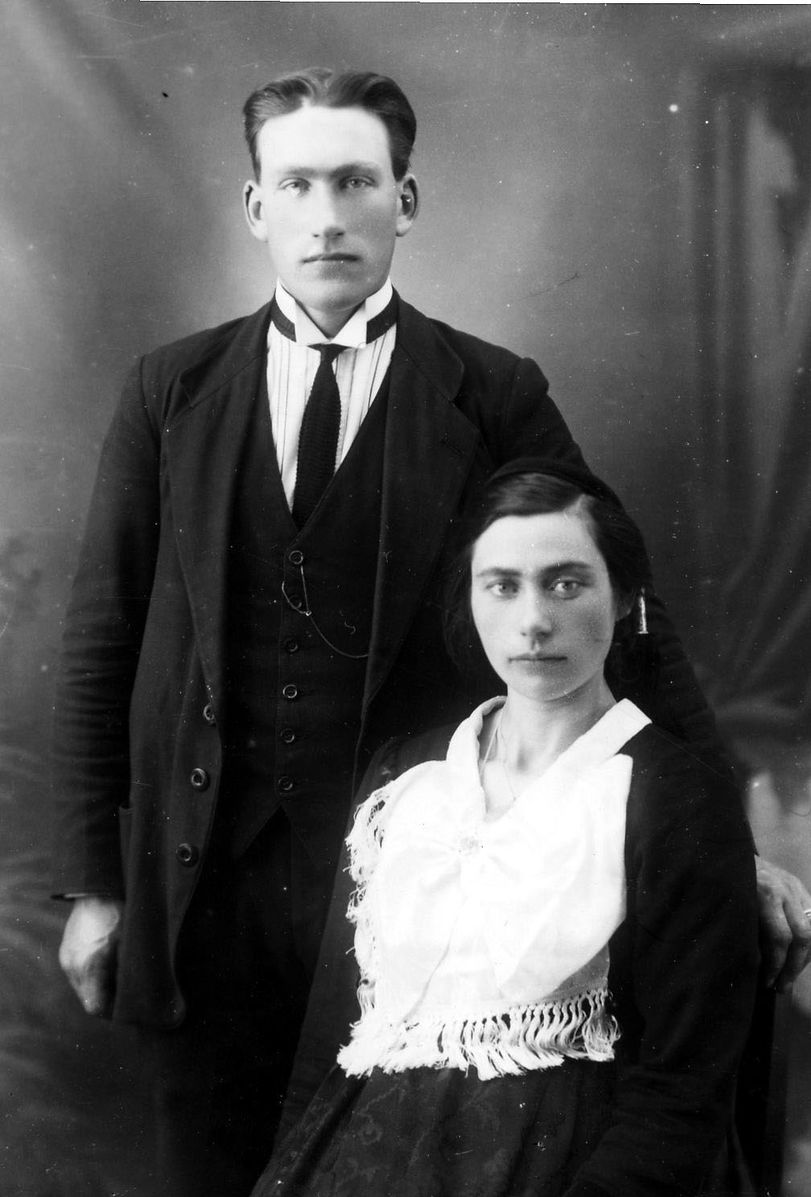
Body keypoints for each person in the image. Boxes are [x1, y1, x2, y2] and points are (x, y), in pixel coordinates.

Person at [51, 68, 809, 1197]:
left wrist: (727, 844)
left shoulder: (490, 391)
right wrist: (93, 885)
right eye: (296, 184)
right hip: (203, 890)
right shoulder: (171, 390)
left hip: (402, 904)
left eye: (355, 182)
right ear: (254, 206)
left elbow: (620, 610)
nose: (326, 214)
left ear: (403, 201)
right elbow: (100, 640)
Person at [252, 460, 760, 1197]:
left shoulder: (675, 795)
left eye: (565, 583)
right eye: (501, 585)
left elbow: (682, 1090)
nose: (533, 621)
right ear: (469, 598)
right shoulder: (407, 776)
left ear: (624, 599)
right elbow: (333, 1030)